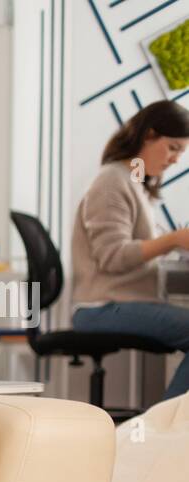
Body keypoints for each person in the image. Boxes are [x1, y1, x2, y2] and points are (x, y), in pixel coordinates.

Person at [71, 100, 189, 401]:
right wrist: (173, 239)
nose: (176, 159)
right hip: (101, 308)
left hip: (122, 304)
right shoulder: (112, 181)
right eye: (173, 147)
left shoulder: (136, 185)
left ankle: (168, 430)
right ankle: (163, 431)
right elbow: (113, 257)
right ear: (148, 135)